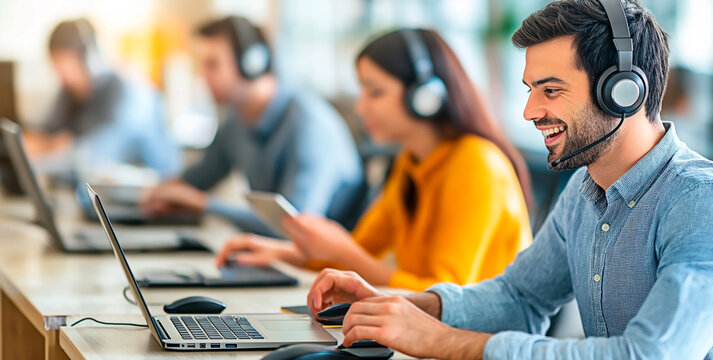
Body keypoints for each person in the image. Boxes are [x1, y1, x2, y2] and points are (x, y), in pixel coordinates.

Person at [302, 1, 713, 359]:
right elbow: (520, 296)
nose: (530, 111)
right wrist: (403, 306)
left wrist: (449, 343)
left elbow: (647, 355)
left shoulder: (707, 204)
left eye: (550, 90)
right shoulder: (586, 190)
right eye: (531, 90)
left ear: (624, 92)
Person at [214, 29, 534, 291]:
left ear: (425, 96)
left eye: (375, 92)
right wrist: (278, 253)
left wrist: (343, 252)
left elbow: (442, 294)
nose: (361, 107)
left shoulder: (476, 164)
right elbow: (362, 250)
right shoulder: (413, 161)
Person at [141, 16, 364, 236]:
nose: (202, 76)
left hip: (323, 265)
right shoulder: (236, 119)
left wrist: (204, 204)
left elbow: (294, 227)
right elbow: (200, 177)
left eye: (212, 64)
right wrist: (162, 194)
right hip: (278, 256)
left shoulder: (309, 125)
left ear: (252, 64)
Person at [25, 18, 181, 181]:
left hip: (149, 191)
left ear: (90, 58)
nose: (63, 76)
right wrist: (49, 144)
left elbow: (92, 157)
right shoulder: (70, 93)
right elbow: (44, 133)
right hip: (98, 192)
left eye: (67, 65)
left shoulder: (122, 93)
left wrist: (53, 146)